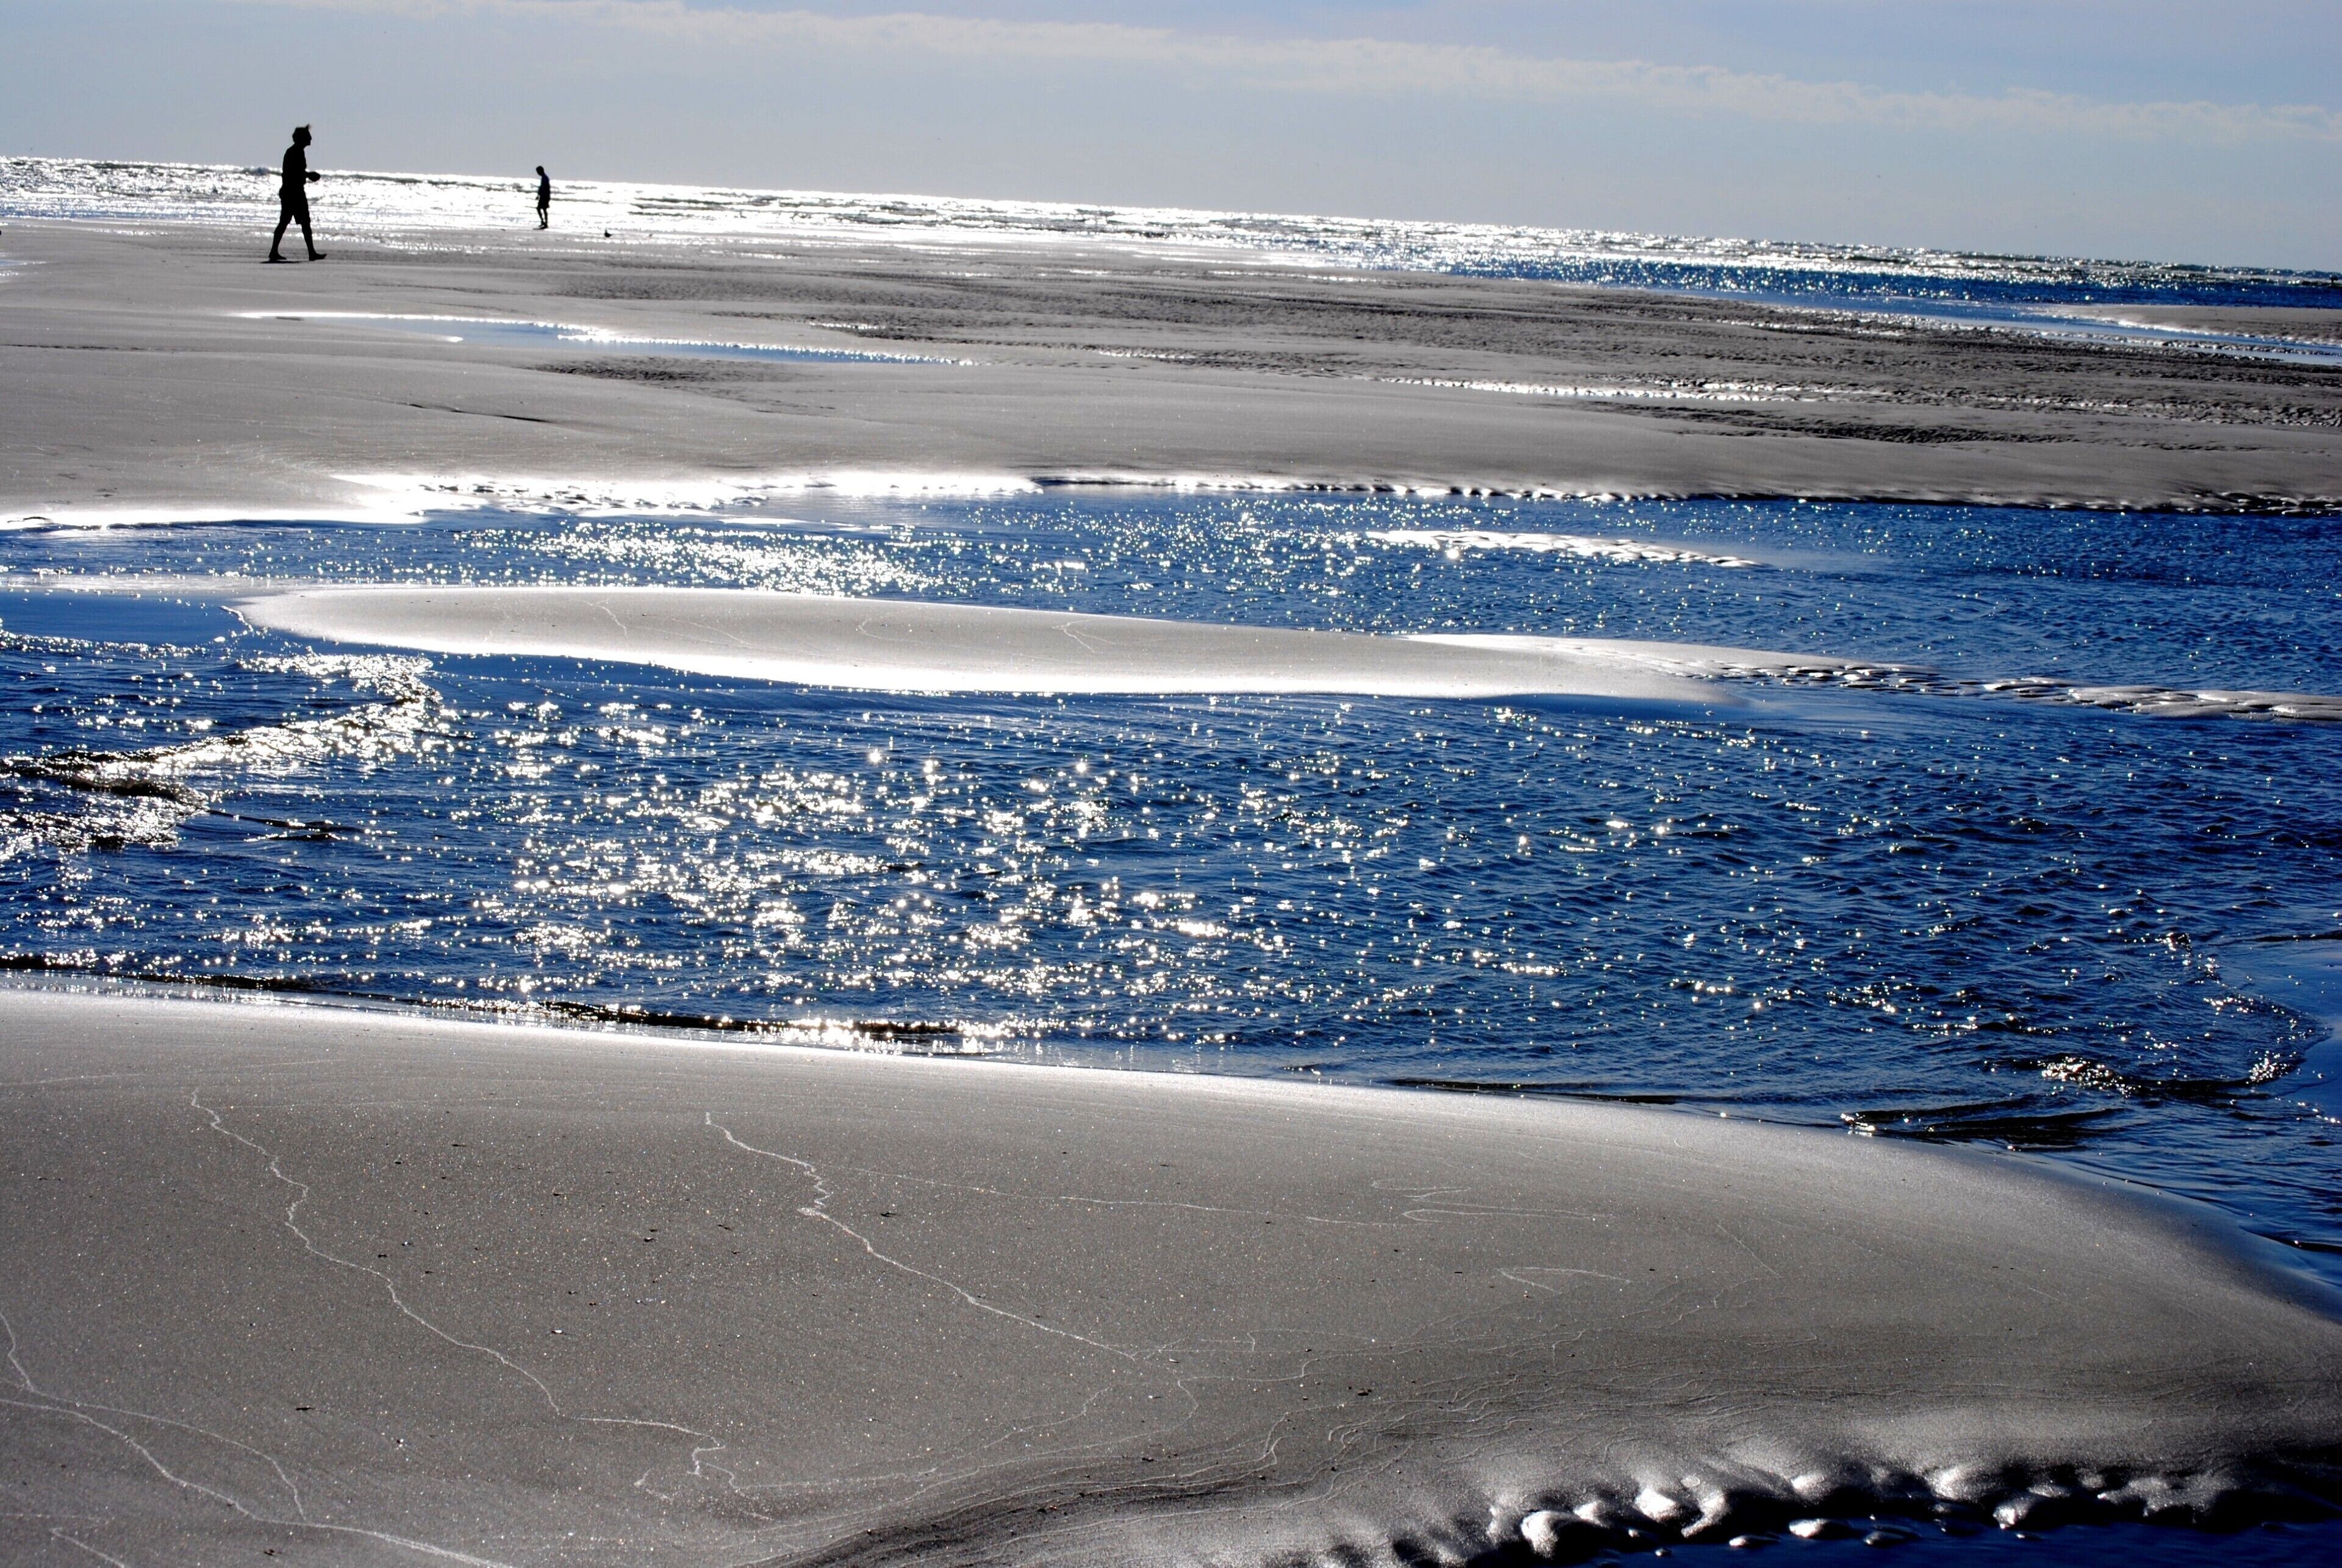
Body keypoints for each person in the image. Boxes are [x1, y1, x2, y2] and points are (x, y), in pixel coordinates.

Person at [268, 126, 324, 263]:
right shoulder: (294, 152)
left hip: (293, 191)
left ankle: (310, 252)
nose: (311, 139)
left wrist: (307, 175)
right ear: (302, 139)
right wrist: (309, 175)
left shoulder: (297, 152)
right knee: (292, 222)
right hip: (293, 192)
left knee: (298, 223)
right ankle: (275, 252)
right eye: (308, 136)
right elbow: (293, 172)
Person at [535, 165, 551, 229]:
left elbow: (545, 188)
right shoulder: (544, 178)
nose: (537, 173)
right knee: (541, 209)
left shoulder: (545, 178)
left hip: (545, 196)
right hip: (544, 196)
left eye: (538, 172)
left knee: (541, 209)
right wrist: (539, 195)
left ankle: (545, 223)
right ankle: (544, 222)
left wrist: (541, 195)